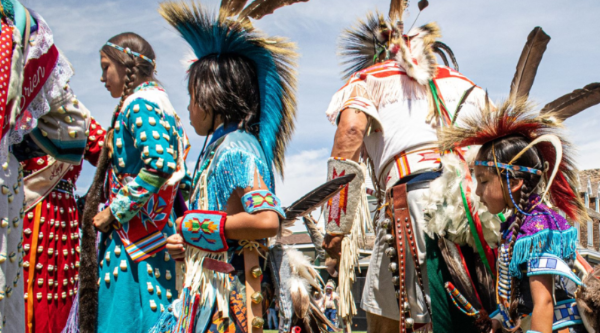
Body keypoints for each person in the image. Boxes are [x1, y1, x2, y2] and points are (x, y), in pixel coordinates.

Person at [321, 3, 494, 332]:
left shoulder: (367, 80)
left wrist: (335, 226)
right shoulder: (467, 85)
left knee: (422, 319)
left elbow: (351, 131)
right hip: (474, 206)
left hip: (413, 204)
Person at [150, 1, 304, 332]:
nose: (189, 108)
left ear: (211, 96)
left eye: (192, 96)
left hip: (228, 305)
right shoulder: (221, 147)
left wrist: (195, 227)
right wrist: (188, 243)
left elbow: (266, 220)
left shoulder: (236, 147)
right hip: (209, 297)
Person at [437, 100, 590, 333]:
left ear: (515, 182)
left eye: (484, 181)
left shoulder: (539, 228)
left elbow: (544, 302)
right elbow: (521, 298)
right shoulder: (518, 225)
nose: (477, 192)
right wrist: (499, 320)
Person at [91, 32, 191, 333]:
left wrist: (115, 210)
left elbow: (160, 165)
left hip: (135, 242)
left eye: (105, 66)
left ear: (126, 65)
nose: (101, 77)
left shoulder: (140, 103)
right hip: (154, 232)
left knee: (127, 318)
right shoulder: (160, 104)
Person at [0, 1, 91, 331]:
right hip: (24, 209)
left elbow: (96, 145)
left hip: (51, 221)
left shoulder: (72, 109)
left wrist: (112, 212)